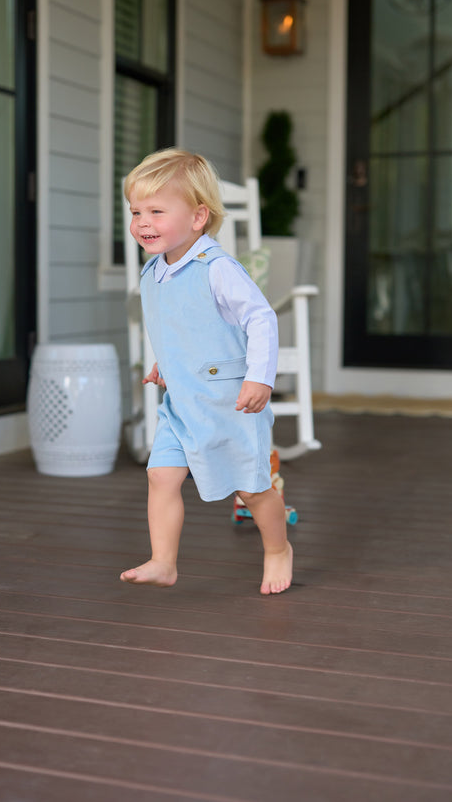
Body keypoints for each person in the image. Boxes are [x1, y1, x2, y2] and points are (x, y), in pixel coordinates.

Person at [120, 148, 292, 595]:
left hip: (229, 404)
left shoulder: (217, 269)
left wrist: (260, 378)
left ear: (198, 217)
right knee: (161, 475)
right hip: (182, 402)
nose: (142, 222)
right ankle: (163, 562)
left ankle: (278, 549)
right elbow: (181, 327)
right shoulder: (154, 271)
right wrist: (166, 363)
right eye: (136, 212)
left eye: (157, 211)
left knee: (251, 490)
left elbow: (261, 319)